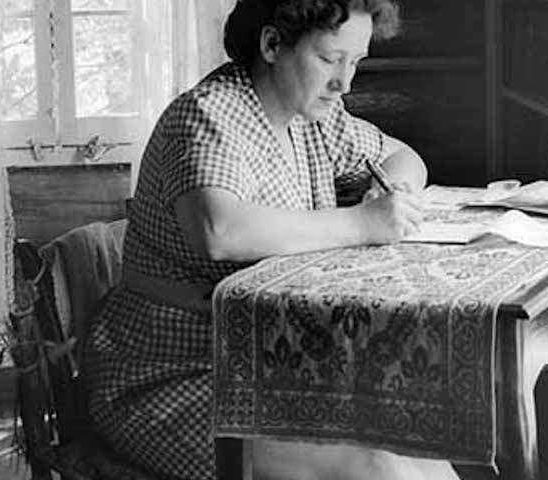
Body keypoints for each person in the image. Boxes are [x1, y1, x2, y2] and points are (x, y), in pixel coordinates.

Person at [81, 0, 459, 479]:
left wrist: (395, 193)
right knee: (376, 468)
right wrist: (364, 223)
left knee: (415, 448)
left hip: (272, 369)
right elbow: (220, 230)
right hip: (171, 377)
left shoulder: (315, 117)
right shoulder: (207, 116)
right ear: (272, 44)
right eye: (329, 59)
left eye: (355, 61)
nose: (345, 81)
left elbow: (405, 157)